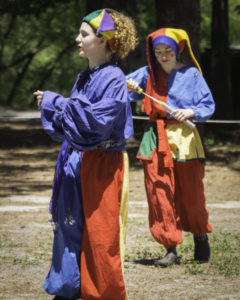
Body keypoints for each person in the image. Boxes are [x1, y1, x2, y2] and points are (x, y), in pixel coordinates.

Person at [34, 8, 137, 300]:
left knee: (100, 234)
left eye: (84, 34)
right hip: (77, 159)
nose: (77, 39)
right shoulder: (83, 77)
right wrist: (53, 107)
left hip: (104, 163)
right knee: (70, 225)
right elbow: (71, 126)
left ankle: (102, 294)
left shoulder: (115, 77)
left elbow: (94, 124)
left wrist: (58, 102)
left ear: (104, 40)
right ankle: (68, 288)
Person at [126, 28, 215, 267]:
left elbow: (208, 104)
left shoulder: (192, 75)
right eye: (158, 52)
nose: (163, 56)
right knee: (159, 192)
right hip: (155, 136)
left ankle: (200, 236)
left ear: (177, 51)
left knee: (191, 192)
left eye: (168, 51)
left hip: (185, 137)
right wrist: (129, 86)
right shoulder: (146, 74)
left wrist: (192, 111)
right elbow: (123, 88)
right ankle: (170, 248)